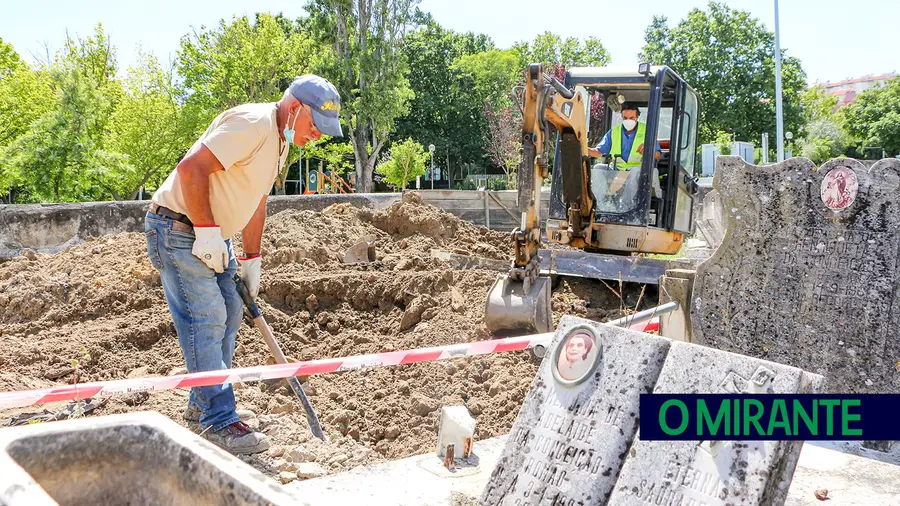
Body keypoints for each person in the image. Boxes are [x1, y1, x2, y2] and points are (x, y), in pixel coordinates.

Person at [144, 74, 342, 455]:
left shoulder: (280, 144)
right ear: (296, 109)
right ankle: (218, 420)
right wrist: (206, 232)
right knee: (208, 319)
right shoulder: (252, 124)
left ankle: (205, 401)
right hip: (178, 229)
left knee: (232, 311)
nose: (317, 136)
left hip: (211, 233)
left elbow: (257, 200)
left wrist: (252, 258)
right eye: (316, 126)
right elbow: (190, 169)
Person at [588, 102, 661, 168]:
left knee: (636, 173)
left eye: (631, 118)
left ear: (637, 117)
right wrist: (583, 149)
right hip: (616, 169)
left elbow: (657, 156)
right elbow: (599, 152)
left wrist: (648, 151)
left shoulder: (647, 131)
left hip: (637, 170)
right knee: (598, 167)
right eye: (625, 118)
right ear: (622, 117)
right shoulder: (614, 132)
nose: (628, 120)